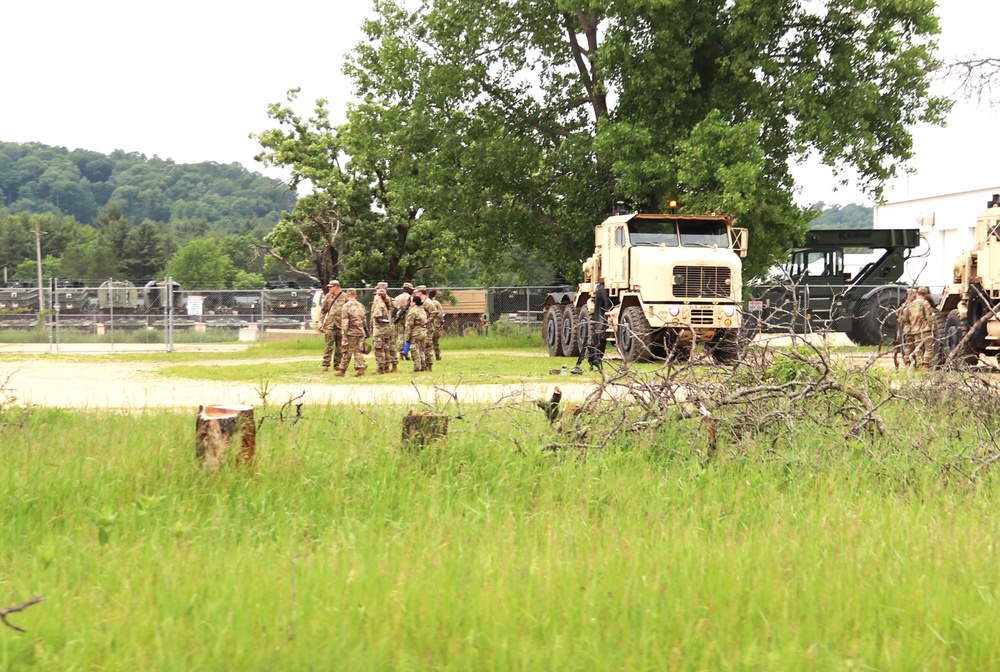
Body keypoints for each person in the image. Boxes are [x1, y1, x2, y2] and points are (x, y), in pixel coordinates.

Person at [319, 281, 347, 374]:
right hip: (330, 325)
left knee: (339, 346)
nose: (329, 288)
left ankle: (337, 364)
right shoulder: (328, 296)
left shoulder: (345, 297)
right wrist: (320, 321)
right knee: (329, 345)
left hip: (341, 325)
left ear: (336, 287)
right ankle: (325, 364)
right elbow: (323, 310)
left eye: (331, 287)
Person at [339, 288, 368, 377]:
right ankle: (361, 368)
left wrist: (344, 333)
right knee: (358, 351)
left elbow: (345, 321)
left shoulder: (346, 306)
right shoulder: (361, 305)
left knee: (346, 351)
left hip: (351, 332)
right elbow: (364, 320)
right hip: (360, 331)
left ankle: (342, 370)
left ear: (347, 295)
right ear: (355, 295)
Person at [908, 286, 935, 370]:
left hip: (914, 330)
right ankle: (925, 365)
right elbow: (929, 317)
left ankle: (919, 364)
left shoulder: (911, 304)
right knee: (928, 347)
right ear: (925, 294)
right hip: (925, 329)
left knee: (918, 348)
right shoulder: (925, 303)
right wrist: (932, 327)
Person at [371, 286, 394, 374]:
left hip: (379, 330)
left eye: (377, 295)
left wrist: (379, 322)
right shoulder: (385, 304)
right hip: (386, 329)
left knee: (379, 349)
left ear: (379, 296)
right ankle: (387, 367)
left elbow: (377, 316)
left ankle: (380, 368)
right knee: (386, 348)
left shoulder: (379, 304)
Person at [403, 294, 427, 372]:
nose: (410, 302)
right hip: (423, 332)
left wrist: (407, 337)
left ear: (414, 303)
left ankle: (417, 367)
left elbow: (409, 325)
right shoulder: (422, 310)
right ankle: (423, 366)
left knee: (414, 349)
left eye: (411, 301)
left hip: (416, 333)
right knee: (421, 350)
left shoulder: (412, 311)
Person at [414, 286, 435, 372]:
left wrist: (427, 321)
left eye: (416, 292)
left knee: (428, 347)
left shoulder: (428, 302)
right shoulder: (422, 302)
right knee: (421, 348)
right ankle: (423, 366)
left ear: (421, 292)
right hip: (422, 329)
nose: (415, 293)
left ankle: (429, 367)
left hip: (428, 328)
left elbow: (434, 312)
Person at [393, 282, 414, 360]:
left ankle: (401, 353)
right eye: (411, 289)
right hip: (407, 316)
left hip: (398, 316)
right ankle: (406, 352)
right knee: (408, 335)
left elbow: (394, 308)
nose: (412, 291)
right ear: (407, 289)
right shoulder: (410, 297)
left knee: (400, 335)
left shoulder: (397, 297)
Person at [896, 288, 916, 368]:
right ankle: (907, 362)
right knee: (909, 346)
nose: (914, 297)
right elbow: (900, 316)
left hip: (915, 328)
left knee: (916, 346)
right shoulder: (906, 305)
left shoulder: (912, 304)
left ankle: (914, 362)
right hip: (909, 328)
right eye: (913, 295)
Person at [427, 288, 443, 362]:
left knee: (427, 340)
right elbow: (440, 314)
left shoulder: (426, 302)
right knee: (435, 340)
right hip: (435, 323)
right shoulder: (436, 303)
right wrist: (441, 323)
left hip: (427, 323)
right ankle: (437, 355)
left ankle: (427, 355)